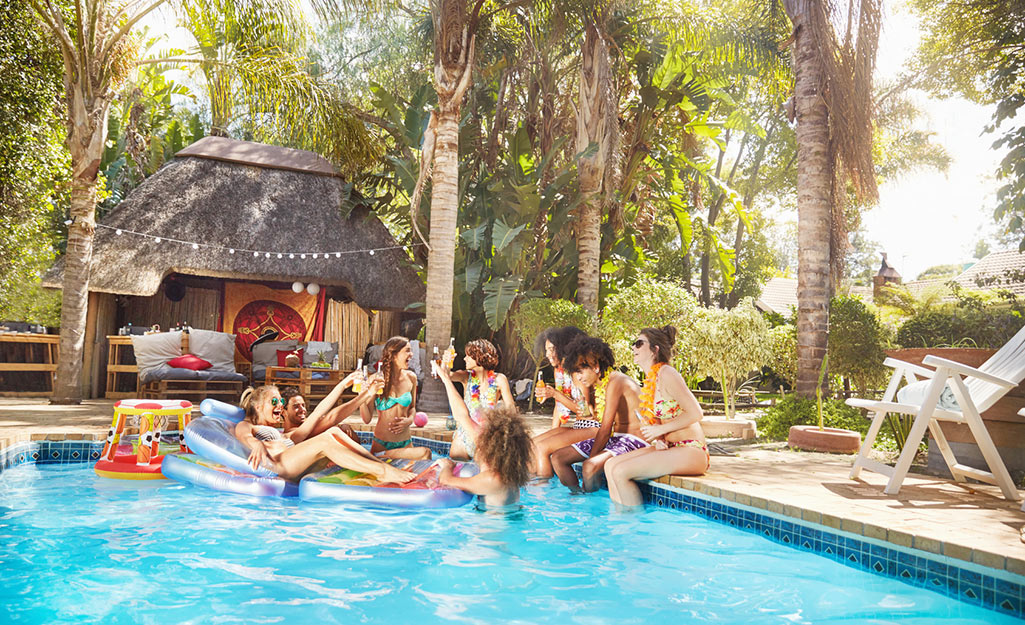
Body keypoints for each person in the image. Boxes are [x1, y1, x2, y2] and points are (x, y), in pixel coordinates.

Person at [605, 326, 707, 506]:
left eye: (639, 343)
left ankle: (632, 524)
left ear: (655, 349)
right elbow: (661, 419)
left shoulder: (667, 373)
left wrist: (661, 429)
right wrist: (660, 438)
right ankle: (619, 521)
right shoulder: (651, 379)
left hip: (692, 449)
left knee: (621, 472)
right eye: (633, 344)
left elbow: (696, 413)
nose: (633, 348)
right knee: (610, 466)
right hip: (671, 448)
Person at [234, 384, 414, 483]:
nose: (280, 405)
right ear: (258, 407)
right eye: (274, 401)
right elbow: (243, 434)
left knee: (333, 431)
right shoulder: (247, 424)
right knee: (323, 441)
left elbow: (323, 414)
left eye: (281, 400)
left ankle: (379, 463)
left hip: (292, 460)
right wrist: (256, 443)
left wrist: (343, 385)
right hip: (278, 465)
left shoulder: (284, 435)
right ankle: (382, 471)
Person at [549, 336, 645, 492]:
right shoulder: (600, 386)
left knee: (589, 467)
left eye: (580, 371)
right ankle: (578, 496)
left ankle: (591, 511)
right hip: (615, 439)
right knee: (558, 458)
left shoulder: (616, 382)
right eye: (575, 372)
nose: (578, 377)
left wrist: (591, 458)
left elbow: (605, 429)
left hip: (634, 439)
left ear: (595, 366)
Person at [432, 364, 532, 507]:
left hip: (494, 526)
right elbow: (463, 417)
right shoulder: (508, 468)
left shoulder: (493, 480)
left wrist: (448, 466)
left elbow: (445, 480)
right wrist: (445, 379)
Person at [530, 326, 593, 478]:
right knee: (530, 444)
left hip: (591, 427)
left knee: (542, 448)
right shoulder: (560, 371)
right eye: (546, 350)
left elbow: (585, 412)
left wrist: (555, 394)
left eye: (551, 349)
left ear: (563, 348)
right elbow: (560, 406)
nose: (547, 354)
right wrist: (552, 433)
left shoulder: (578, 373)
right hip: (578, 427)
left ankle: (543, 490)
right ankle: (531, 482)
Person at [359, 336, 432, 460]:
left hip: (405, 442)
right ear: (394, 356)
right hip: (381, 444)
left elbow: (413, 407)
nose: (412, 354)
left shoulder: (411, 377)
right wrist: (361, 396)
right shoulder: (377, 380)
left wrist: (409, 420)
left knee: (422, 464)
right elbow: (366, 419)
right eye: (407, 350)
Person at [448, 339, 514, 461]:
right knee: (457, 468)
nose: (464, 359)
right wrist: (447, 361)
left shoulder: (499, 379)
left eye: (468, 356)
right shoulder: (465, 377)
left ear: (479, 356)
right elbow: (446, 375)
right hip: (463, 435)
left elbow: (511, 411)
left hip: (486, 437)